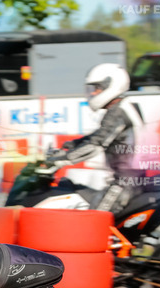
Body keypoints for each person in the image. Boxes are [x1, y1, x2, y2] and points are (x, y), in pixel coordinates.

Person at [46, 63, 149, 214]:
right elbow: (100, 135)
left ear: (112, 84)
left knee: (94, 220)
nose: (93, 93)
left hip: (124, 184)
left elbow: (95, 146)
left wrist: (60, 160)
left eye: (97, 88)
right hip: (134, 180)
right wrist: (73, 144)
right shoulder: (127, 106)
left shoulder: (116, 113)